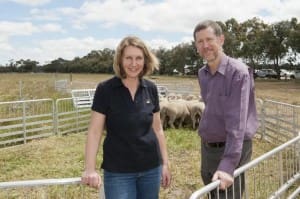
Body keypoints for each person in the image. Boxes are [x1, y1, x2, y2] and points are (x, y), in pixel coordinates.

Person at [81, 36, 171, 199]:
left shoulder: (150, 88)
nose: (133, 63)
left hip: (151, 169)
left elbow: (157, 129)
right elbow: (95, 132)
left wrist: (165, 163)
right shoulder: (105, 89)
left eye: (138, 58)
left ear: (145, 61)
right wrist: (90, 169)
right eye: (128, 58)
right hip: (118, 172)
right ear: (120, 60)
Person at [193, 20, 258, 198]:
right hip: (208, 147)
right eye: (200, 41)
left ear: (221, 40)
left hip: (232, 147)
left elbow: (237, 123)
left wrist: (228, 163)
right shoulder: (202, 74)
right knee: (212, 193)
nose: (205, 45)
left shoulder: (238, 73)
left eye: (209, 39)